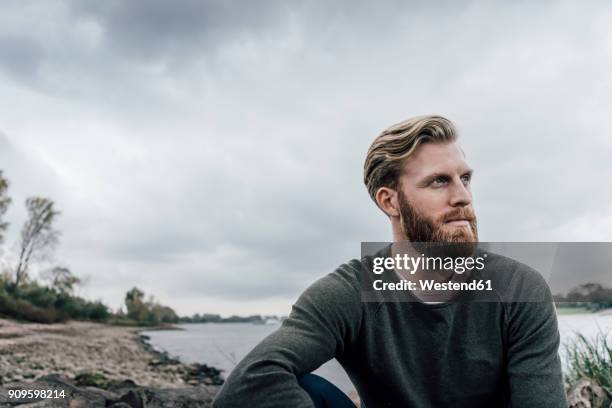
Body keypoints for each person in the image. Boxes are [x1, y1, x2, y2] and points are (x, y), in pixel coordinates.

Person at [212, 115, 567, 407]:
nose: (463, 197)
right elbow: (247, 385)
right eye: (439, 182)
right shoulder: (349, 293)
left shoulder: (521, 290)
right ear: (390, 202)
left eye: (465, 179)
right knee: (308, 389)